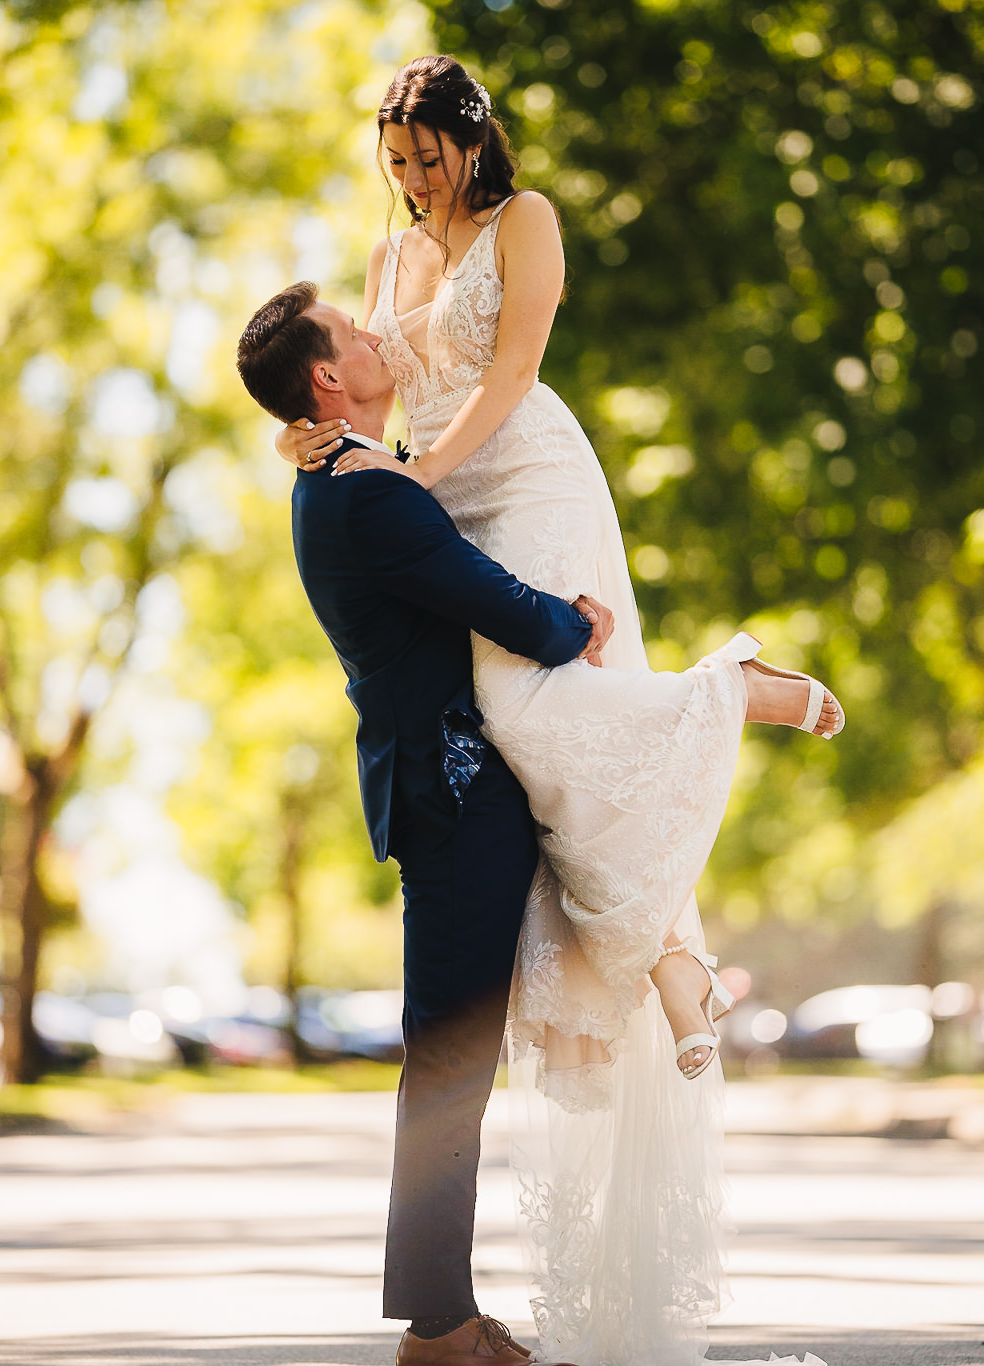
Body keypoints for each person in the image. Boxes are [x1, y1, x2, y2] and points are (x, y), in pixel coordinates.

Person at [269, 55, 836, 1366]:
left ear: (470, 139)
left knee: (536, 711)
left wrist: (410, 478)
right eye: (394, 164)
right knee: (553, 756)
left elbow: (508, 373)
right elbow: (362, 390)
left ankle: (728, 697)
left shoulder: (528, 224)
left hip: (524, 474)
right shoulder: (385, 255)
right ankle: (674, 962)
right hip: (437, 498)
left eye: (427, 158)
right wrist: (325, 442)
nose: (411, 184)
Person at [238, 280, 611, 1366]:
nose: (374, 335)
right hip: (451, 794)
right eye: (353, 335)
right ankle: (437, 1329)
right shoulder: (364, 494)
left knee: (451, 1057)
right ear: (324, 379)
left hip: (438, 789)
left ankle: (441, 1313)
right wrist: (571, 621)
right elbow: (491, 599)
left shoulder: (341, 479)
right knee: (449, 1060)